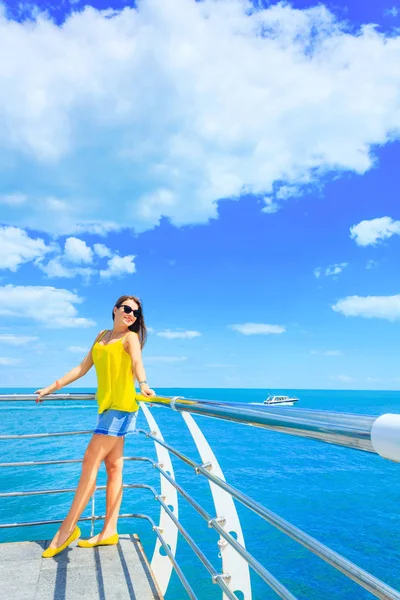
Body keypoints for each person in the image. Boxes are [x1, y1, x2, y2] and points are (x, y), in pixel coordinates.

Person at [35, 294, 155, 558]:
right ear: (115, 309)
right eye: (127, 309)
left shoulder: (130, 338)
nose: (131, 315)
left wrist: (144, 385)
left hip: (121, 409)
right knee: (112, 468)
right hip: (106, 410)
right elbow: (82, 368)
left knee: (90, 461)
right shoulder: (102, 336)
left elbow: (137, 363)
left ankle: (67, 530)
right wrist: (51, 388)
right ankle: (109, 531)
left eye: (135, 313)